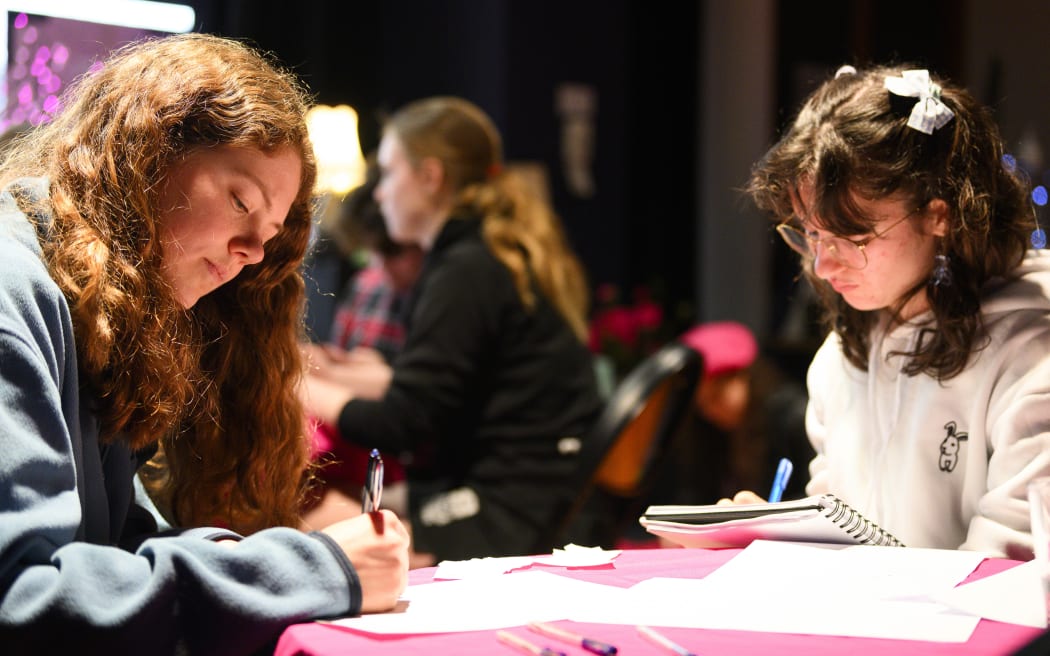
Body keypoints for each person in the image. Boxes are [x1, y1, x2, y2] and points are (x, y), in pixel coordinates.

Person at [0, 33, 409, 654]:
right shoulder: (13, 290)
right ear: (144, 156)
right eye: (240, 200)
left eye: (268, 234)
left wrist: (239, 559)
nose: (251, 254)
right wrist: (314, 569)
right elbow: (25, 603)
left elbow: (118, 546)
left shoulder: (88, 300)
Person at [735, 64, 1050, 559]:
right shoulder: (840, 356)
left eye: (853, 238)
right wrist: (778, 540)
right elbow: (845, 527)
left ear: (939, 214)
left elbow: (1011, 569)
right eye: (810, 233)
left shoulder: (1030, 357)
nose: (822, 263)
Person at [302, 96, 603, 563]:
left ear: (430, 177)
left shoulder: (468, 270)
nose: (379, 193)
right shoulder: (487, 252)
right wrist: (332, 372)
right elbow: (443, 391)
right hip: (538, 488)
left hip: (510, 507)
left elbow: (404, 423)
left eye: (389, 172)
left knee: (320, 521)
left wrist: (292, 383)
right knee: (336, 513)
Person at [301, 163, 424, 529]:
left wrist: (304, 378)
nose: (383, 268)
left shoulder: (443, 292)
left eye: (392, 253)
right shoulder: (370, 285)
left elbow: (406, 399)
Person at [647, 321, 812, 511]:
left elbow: (815, 494)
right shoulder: (707, 430)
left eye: (716, 397)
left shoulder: (792, 416)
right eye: (701, 404)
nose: (709, 411)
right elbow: (695, 495)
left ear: (745, 377)